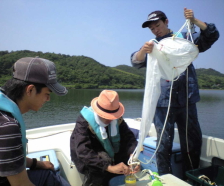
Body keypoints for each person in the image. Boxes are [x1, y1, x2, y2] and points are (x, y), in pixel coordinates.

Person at [130, 8, 219, 179]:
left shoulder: (185, 38)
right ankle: (165, 178)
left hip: (187, 99)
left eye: (158, 25)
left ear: (166, 22)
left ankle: (191, 177)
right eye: (152, 28)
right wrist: (143, 50)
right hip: (163, 102)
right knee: (163, 144)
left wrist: (194, 20)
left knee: (192, 141)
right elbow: (136, 61)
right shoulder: (153, 46)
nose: (156, 30)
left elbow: (211, 36)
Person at [0, 57, 71, 186]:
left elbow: (5, 158)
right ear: (30, 90)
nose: (48, 99)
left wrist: (37, 163)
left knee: (47, 174)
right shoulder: (5, 127)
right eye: (47, 93)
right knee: (53, 179)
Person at [70, 90, 140, 186]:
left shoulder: (117, 119)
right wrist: (109, 167)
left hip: (110, 148)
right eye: (106, 116)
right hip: (90, 154)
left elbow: (129, 137)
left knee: (127, 161)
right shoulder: (84, 122)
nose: (110, 119)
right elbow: (83, 151)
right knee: (100, 171)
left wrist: (133, 156)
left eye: (112, 116)